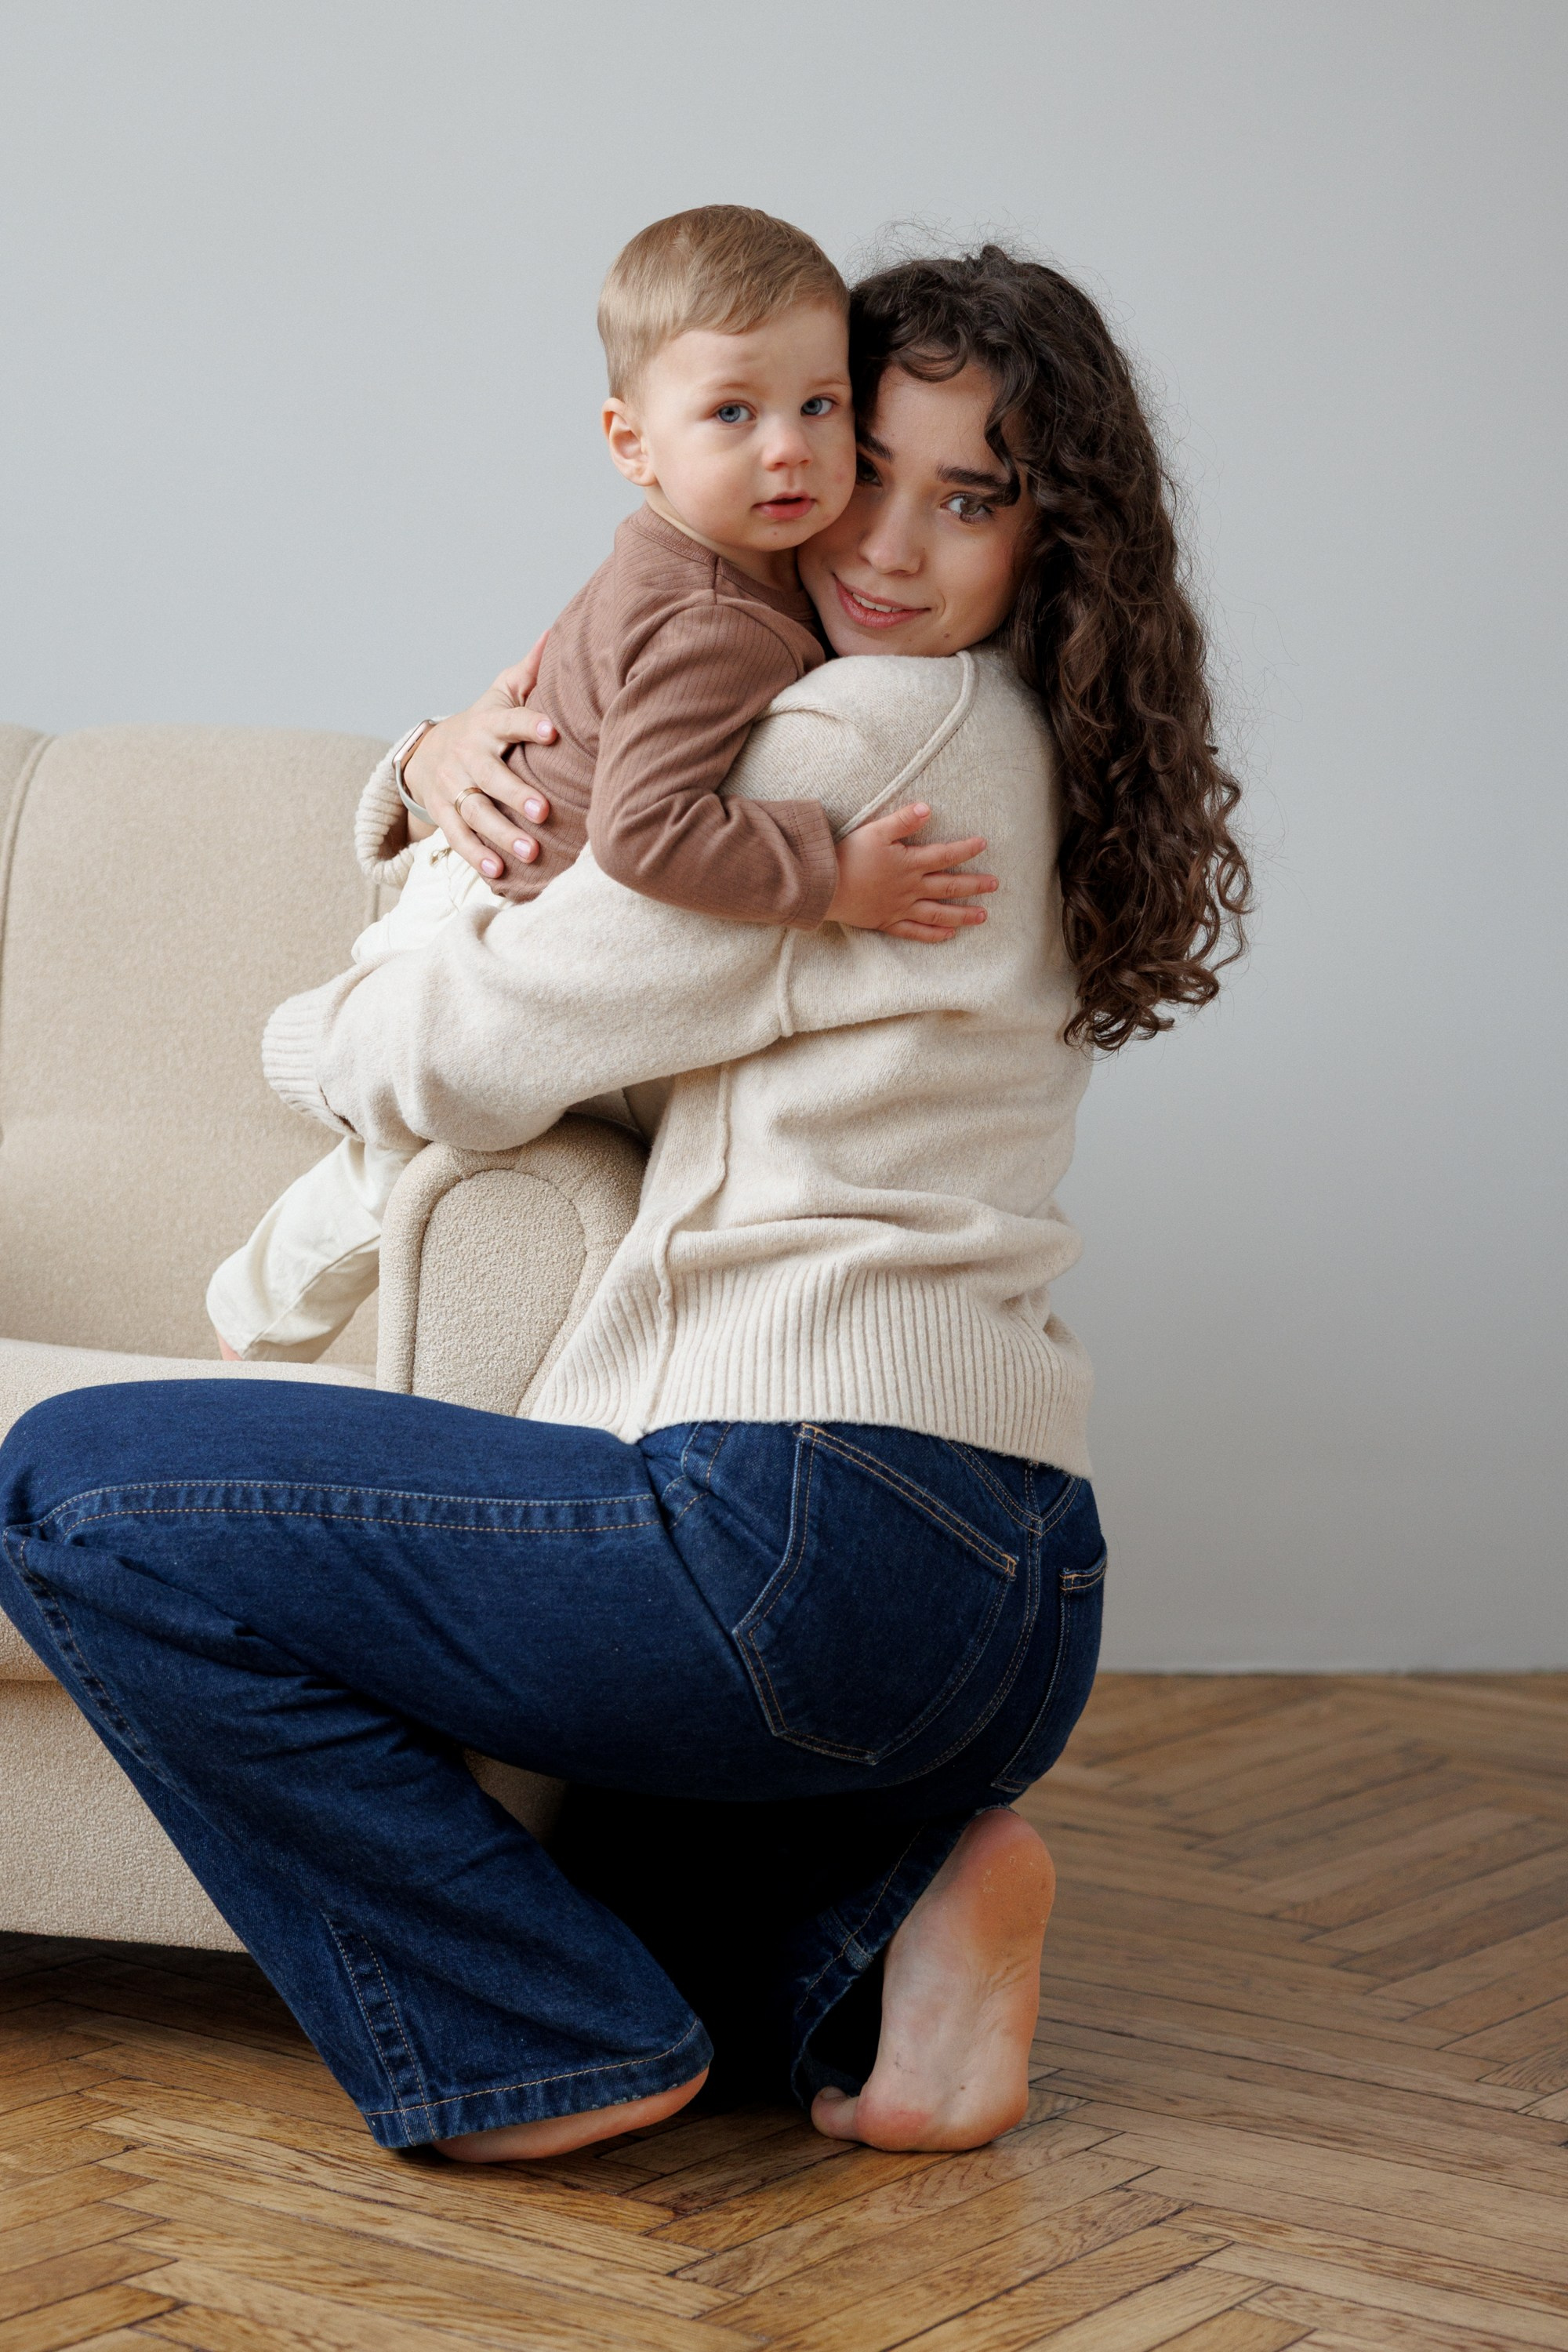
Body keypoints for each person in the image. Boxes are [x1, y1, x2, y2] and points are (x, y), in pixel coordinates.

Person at [0, 245, 1249, 2161]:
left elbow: (470, 1046)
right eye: (867, 461)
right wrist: (425, 765)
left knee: (70, 1490)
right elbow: (633, 989)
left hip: (794, 1523)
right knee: (622, 1897)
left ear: (1049, 535)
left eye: (971, 498)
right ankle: (885, 1937)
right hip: (1007, 1581)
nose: (889, 546)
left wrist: (319, 1021)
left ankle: (541, 2049)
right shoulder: (1030, 746)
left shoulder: (850, 742)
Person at [206, 205, 992, 1363]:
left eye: (820, 408)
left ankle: (241, 1332)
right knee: (384, 1179)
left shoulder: (683, 549)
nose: (790, 449)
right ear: (634, 443)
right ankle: (241, 1334)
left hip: (476, 880)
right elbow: (643, 835)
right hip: (478, 915)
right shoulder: (723, 618)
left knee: (414, 1164)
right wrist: (831, 875)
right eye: (734, 413)